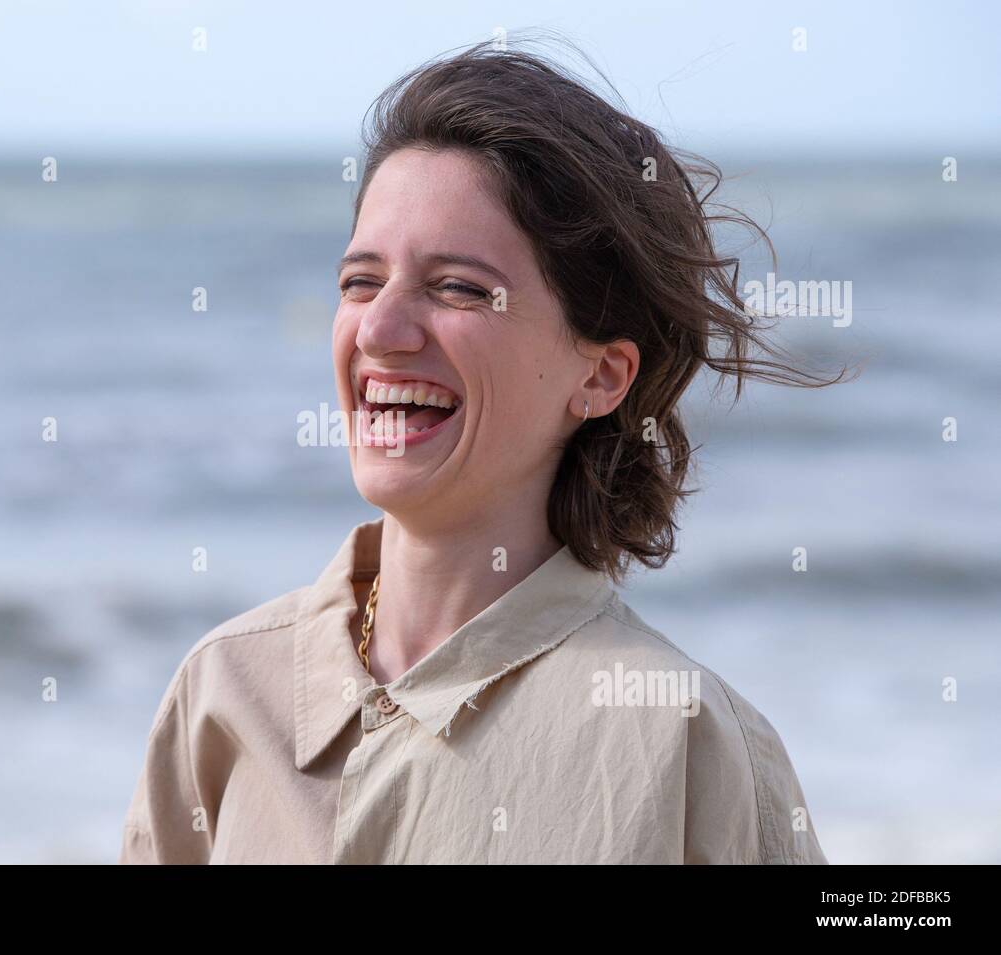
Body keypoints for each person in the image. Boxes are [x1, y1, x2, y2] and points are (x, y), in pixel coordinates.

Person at [119, 36, 843, 864]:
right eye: (360, 281)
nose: (382, 332)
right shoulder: (222, 695)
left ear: (603, 375)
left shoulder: (689, 749)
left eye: (458, 287)